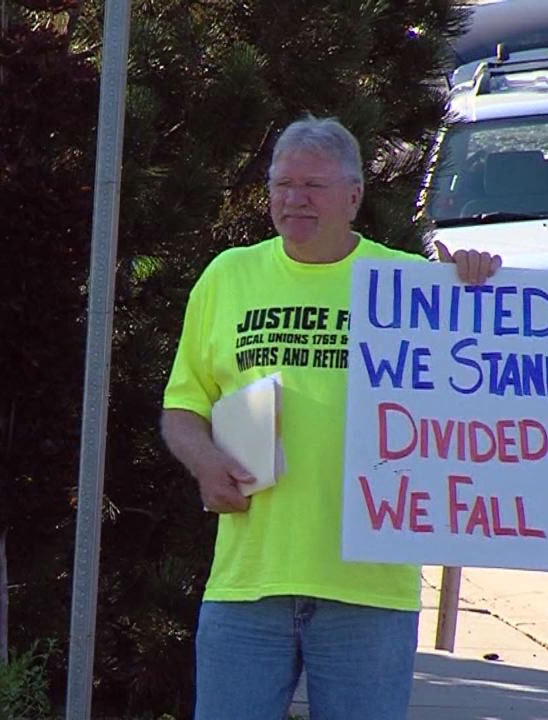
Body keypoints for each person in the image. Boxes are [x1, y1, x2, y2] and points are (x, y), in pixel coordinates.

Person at [160, 115, 500, 720]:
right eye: (282, 184)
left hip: (368, 588)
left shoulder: (409, 285)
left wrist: (477, 288)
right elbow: (183, 406)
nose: (294, 199)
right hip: (248, 581)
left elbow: (482, 396)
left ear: (353, 196)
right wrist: (205, 462)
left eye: (313, 186)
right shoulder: (227, 276)